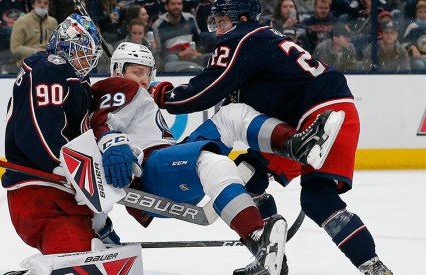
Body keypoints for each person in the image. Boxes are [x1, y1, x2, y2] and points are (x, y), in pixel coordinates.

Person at [147, 0, 393, 274]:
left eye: (222, 22)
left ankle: (301, 148)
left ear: (241, 19)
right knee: (297, 193)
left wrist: (161, 94)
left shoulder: (241, 40)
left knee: (265, 181)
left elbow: (204, 92)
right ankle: (364, 267)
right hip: (330, 111)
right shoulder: (264, 39)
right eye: (214, 23)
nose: (218, 30)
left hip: (315, 117)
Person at [90, 42, 345, 275]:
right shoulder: (119, 86)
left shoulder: (133, 91)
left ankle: (296, 144)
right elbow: (101, 124)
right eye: (137, 72)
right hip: (150, 171)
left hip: (168, 163)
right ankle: (257, 238)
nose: (144, 79)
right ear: (117, 71)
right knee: (214, 161)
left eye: (148, 72)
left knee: (232, 116)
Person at [2, 13, 122, 269]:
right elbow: (38, 128)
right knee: (80, 263)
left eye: (90, 55)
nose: (87, 61)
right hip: (41, 193)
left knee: (93, 255)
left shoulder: (74, 79)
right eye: (81, 52)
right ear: (65, 46)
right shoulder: (50, 67)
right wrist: (67, 167)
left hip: (59, 194)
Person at [10, 0, 58, 68]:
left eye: (46, 3)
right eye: (39, 2)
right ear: (33, 5)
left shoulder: (53, 22)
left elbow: (56, 45)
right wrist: (36, 52)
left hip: (48, 60)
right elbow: (15, 48)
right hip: (26, 61)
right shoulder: (21, 21)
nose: (42, 5)